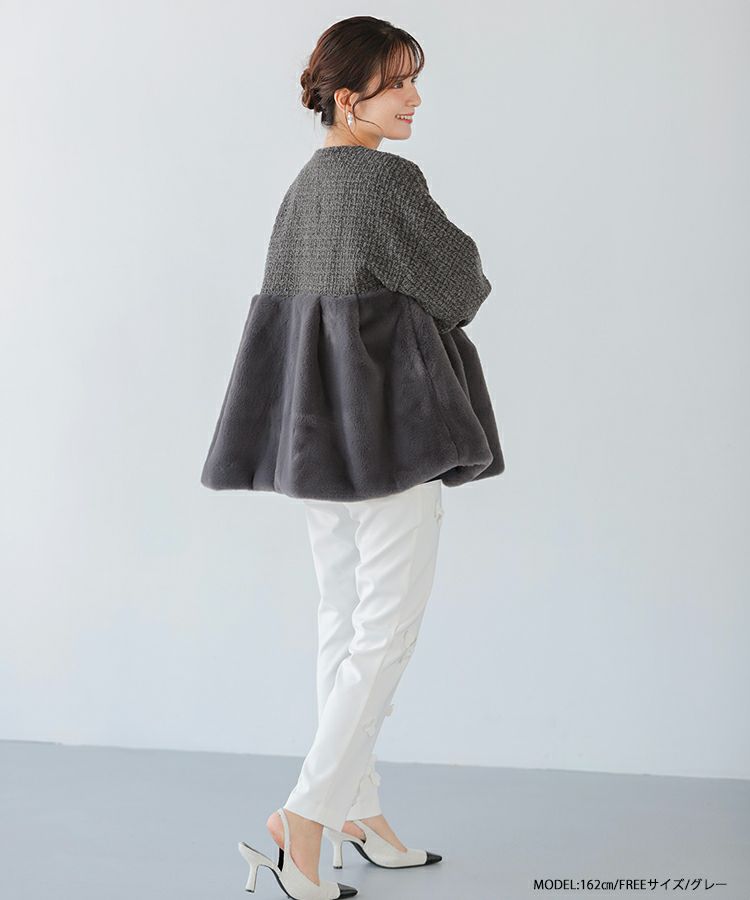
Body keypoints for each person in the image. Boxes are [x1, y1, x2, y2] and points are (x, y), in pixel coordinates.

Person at [201, 15, 505, 900]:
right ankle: (306, 817)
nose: (415, 98)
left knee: (342, 619)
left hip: (316, 443)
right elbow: (463, 282)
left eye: (412, 79)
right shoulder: (385, 181)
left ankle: (357, 809)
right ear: (348, 97)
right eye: (397, 83)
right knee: (386, 628)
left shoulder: (305, 185)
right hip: (388, 440)